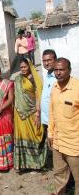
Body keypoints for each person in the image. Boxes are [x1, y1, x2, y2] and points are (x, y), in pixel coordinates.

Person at [48, 58, 79, 195]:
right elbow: (52, 113)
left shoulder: (77, 88)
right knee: (59, 176)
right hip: (58, 142)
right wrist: (50, 133)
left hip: (74, 144)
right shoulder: (54, 88)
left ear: (69, 70)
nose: (58, 73)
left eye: (61, 69)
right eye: (56, 70)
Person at [13, 58, 47, 171]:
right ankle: (23, 163)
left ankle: (36, 163)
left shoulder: (34, 79)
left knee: (35, 136)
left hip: (32, 112)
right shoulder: (18, 79)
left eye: (25, 67)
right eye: (21, 67)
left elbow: (38, 95)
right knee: (22, 136)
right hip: (19, 114)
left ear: (30, 67)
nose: (23, 69)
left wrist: (38, 113)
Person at [41, 49, 57, 135]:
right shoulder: (47, 76)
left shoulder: (58, 77)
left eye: (49, 60)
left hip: (55, 121)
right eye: (44, 61)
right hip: (46, 120)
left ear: (55, 60)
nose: (46, 63)